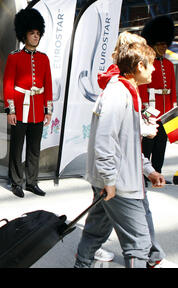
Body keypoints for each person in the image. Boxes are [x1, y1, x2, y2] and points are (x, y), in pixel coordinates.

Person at [74, 33, 166, 268]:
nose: (154, 70)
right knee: (139, 245)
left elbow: (128, 144)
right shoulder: (118, 93)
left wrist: (148, 170)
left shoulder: (124, 89)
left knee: (96, 231)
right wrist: (109, 179)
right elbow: (104, 141)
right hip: (120, 183)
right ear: (138, 66)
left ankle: (82, 264)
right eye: (151, 65)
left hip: (115, 179)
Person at [3, 8, 52, 198]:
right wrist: (10, 110)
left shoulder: (44, 58)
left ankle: (32, 182)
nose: (36, 37)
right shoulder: (14, 57)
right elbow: (8, 85)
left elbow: (47, 85)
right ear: (25, 35)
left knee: (34, 149)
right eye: (32, 33)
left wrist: (47, 110)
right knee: (16, 147)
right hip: (20, 108)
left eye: (38, 33)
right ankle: (16, 181)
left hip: (38, 109)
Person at [139, 16, 177, 184]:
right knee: (148, 143)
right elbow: (142, 87)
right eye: (160, 44)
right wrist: (145, 110)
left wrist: (173, 108)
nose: (164, 47)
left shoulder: (168, 65)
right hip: (150, 108)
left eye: (165, 44)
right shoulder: (146, 63)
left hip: (165, 110)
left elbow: (172, 89)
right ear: (153, 44)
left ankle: (158, 173)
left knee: (161, 144)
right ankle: (145, 175)